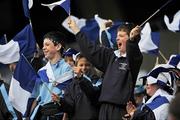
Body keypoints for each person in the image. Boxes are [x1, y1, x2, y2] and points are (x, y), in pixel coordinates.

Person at [68, 18, 143, 119]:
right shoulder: (111, 56)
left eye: (121, 36)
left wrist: (132, 40)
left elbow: (133, 51)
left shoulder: (134, 58)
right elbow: (91, 49)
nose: (117, 39)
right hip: (104, 110)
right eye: (117, 36)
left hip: (121, 110)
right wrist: (76, 30)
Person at [29, 31, 73, 120]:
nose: (43, 48)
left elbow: (70, 96)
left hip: (58, 115)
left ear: (58, 46)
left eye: (47, 44)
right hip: (43, 115)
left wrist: (66, 116)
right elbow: (36, 97)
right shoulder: (42, 71)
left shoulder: (67, 68)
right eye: (43, 45)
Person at [52, 53, 101, 120]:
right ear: (76, 67)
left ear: (91, 66)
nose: (84, 68)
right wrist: (60, 101)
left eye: (87, 65)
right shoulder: (71, 85)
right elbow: (69, 108)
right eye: (81, 65)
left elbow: (93, 95)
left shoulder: (98, 81)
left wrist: (81, 78)